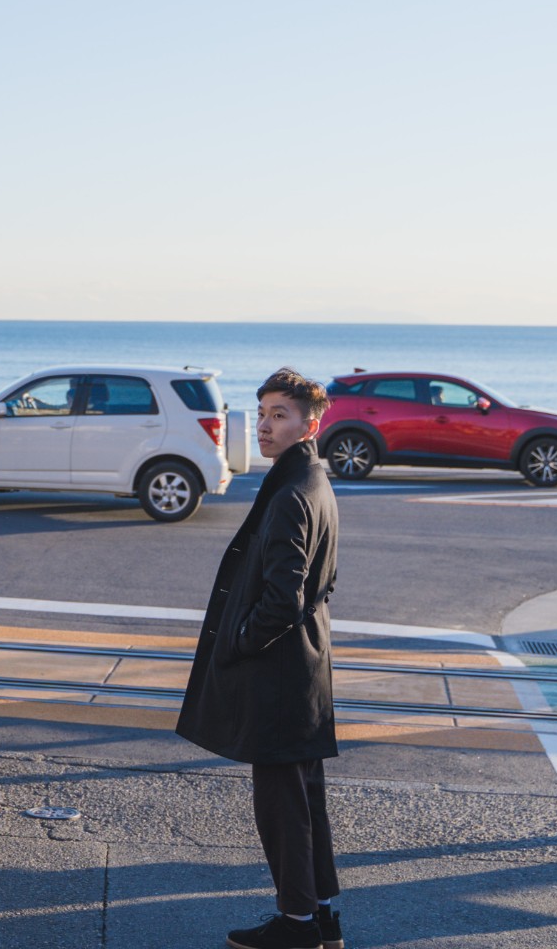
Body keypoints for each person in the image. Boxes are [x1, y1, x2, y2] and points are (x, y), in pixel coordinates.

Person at [177, 368, 343, 949]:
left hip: (278, 675)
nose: (267, 426)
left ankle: (296, 924)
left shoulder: (292, 496)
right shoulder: (314, 482)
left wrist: (240, 641)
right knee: (306, 801)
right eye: (265, 413)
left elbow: (282, 599)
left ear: (309, 424)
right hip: (306, 670)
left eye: (281, 415)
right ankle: (322, 918)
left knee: (283, 809)